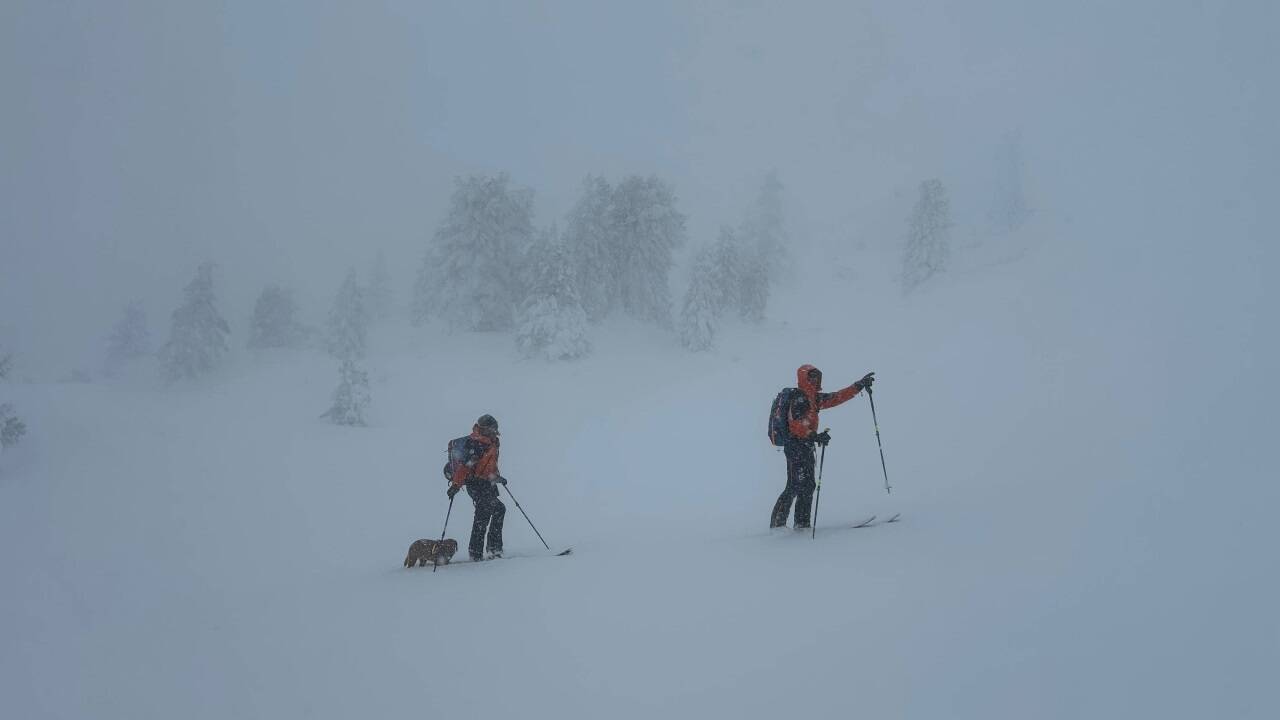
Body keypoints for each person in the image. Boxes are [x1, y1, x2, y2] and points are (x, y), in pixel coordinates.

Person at [770, 365, 875, 529]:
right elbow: (795, 424)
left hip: (806, 446)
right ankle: (777, 526)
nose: (815, 380)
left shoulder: (814, 398)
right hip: (794, 446)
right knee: (794, 485)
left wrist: (858, 385)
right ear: (804, 378)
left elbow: (837, 397)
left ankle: (802, 524)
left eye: (817, 377)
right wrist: (813, 435)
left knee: (808, 485)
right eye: (812, 377)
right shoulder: (798, 398)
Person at [446, 414, 507, 560]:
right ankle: (477, 553)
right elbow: (465, 467)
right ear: (485, 429)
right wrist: (456, 485)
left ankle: (493, 549)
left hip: (486, 483)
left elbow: (489, 465)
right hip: (475, 484)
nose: (494, 431)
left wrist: (496, 477)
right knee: (483, 514)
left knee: (499, 509)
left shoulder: (492, 442)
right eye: (492, 429)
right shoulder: (476, 444)